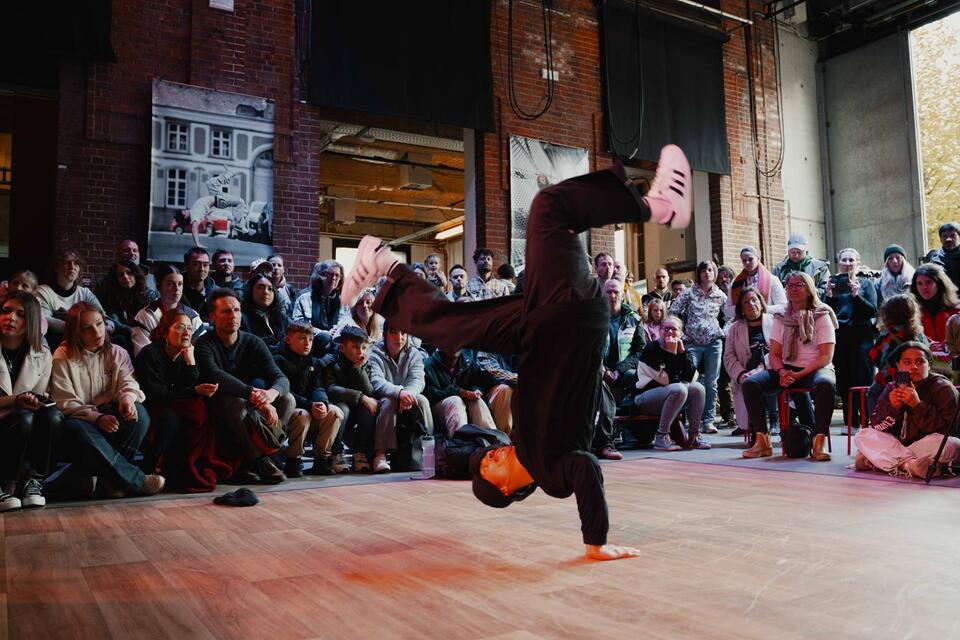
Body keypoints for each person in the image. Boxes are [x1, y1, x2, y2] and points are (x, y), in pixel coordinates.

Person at [338, 143, 693, 560]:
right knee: (547, 208)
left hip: (542, 328)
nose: (491, 455)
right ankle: (658, 205)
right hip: (570, 322)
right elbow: (588, 467)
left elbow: (478, 432)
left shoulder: (529, 449)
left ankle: (387, 267)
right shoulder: (553, 472)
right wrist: (595, 541)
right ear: (506, 486)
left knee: (456, 325)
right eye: (489, 465)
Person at [49, 302, 165, 498]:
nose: (97, 332)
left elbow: (128, 383)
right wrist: (96, 418)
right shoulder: (62, 356)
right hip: (79, 421)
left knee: (140, 415)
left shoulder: (117, 352)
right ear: (76, 333)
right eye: (87, 328)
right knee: (78, 429)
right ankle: (135, 480)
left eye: (99, 324)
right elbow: (65, 402)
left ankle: (104, 480)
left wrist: (127, 399)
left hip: (108, 414)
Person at [196, 289, 297, 484]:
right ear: (212, 316)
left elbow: (281, 378)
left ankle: (261, 455)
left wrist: (271, 394)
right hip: (222, 403)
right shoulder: (204, 343)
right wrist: (252, 394)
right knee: (235, 403)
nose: (233, 316)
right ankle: (257, 460)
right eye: (226, 311)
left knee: (288, 399)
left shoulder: (253, 341)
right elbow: (215, 376)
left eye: (236, 310)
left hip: (253, 405)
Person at [741, 272, 838, 461]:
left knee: (826, 384)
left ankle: (819, 442)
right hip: (787, 368)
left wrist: (799, 374)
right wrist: (782, 371)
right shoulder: (781, 316)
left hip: (815, 368)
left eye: (798, 285)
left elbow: (826, 356)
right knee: (750, 384)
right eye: (789, 285)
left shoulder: (821, 314)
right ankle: (762, 440)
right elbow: (775, 354)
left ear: (809, 289)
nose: (793, 288)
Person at [134, 308, 231, 492]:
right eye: (179, 327)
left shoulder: (187, 354)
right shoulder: (150, 354)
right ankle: (150, 463)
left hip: (176, 406)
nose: (187, 333)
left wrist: (191, 364)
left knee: (201, 407)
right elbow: (157, 395)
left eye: (189, 328)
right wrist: (194, 390)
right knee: (173, 414)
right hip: (151, 408)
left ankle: (190, 464)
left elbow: (188, 390)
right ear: (164, 332)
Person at [856, 341, 959, 478]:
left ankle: (878, 461)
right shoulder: (892, 388)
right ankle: (910, 465)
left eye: (920, 362)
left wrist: (917, 405)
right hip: (899, 446)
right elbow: (877, 427)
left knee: (951, 444)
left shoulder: (943, 388)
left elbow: (947, 431)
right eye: (907, 362)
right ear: (898, 366)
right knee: (864, 435)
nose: (914, 367)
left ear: (930, 365)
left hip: (925, 446)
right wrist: (893, 409)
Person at [0, 292, 62, 510]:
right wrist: (16, 400)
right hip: (8, 416)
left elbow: (36, 397)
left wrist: (33, 402)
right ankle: (6, 483)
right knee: (23, 417)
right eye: (5, 311)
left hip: (19, 417)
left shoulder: (42, 354)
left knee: (52, 415)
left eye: (20, 314)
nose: (11, 318)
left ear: (32, 321)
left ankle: (33, 481)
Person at [273, 322, 345, 476]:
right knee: (302, 415)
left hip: (310, 407)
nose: (307, 343)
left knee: (335, 412)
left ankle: (321, 461)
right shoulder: (278, 360)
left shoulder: (313, 361)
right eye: (301, 338)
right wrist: (309, 405)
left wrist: (322, 403)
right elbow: (286, 392)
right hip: (289, 412)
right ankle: (293, 461)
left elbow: (318, 387)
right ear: (288, 340)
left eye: (311, 339)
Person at [633, 315, 710, 451]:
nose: (669, 332)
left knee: (699, 388)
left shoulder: (681, 347)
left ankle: (694, 436)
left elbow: (692, 378)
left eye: (673, 329)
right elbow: (665, 380)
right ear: (660, 331)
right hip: (644, 398)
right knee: (679, 389)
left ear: (680, 332)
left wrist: (681, 354)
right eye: (666, 328)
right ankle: (661, 437)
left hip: (672, 398)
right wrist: (671, 354)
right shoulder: (651, 349)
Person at [668, 260, 726, 434]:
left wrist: (723, 331)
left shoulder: (720, 295)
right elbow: (673, 311)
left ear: (714, 273)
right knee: (689, 380)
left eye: (710, 270)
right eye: (703, 270)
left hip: (713, 343)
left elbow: (732, 315)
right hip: (692, 342)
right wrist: (682, 335)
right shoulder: (689, 293)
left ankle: (708, 421)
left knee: (711, 382)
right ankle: (690, 421)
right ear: (699, 273)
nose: (706, 273)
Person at [368, 321, 434, 473]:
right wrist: (399, 393)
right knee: (389, 402)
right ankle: (380, 455)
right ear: (385, 334)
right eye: (394, 332)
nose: (399, 337)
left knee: (422, 400)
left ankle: (429, 450)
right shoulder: (375, 352)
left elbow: (418, 379)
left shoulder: (415, 353)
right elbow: (376, 380)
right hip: (383, 397)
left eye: (403, 333)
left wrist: (408, 394)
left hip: (408, 397)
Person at [824, 248, 878, 427]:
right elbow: (826, 314)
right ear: (839, 262)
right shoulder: (833, 284)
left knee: (863, 378)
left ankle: (868, 420)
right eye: (844, 260)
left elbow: (872, 310)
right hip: (840, 338)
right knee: (844, 380)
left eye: (851, 260)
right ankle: (850, 422)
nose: (847, 264)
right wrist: (829, 296)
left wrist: (856, 296)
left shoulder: (866, 284)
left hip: (861, 337)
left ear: (857, 263)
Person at [320, 325, 378, 473]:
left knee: (369, 407)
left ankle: (360, 453)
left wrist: (358, 370)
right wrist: (360, 397)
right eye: (355, 347)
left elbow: (370, 392)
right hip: (333, 410)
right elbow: (331, 389)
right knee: (342, 407)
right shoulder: (330, 361)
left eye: (364, 348)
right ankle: (336, 453)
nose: (360, 352)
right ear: (342, 347)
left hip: (355, 411)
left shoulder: (364, 363)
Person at [723, 286, 776, 439]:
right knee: (749, 384)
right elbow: (729, 357)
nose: (751, 304)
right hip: (746, 372)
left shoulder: (775, 322)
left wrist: (760, 368)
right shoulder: (734, 328)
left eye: (754, 300)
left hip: (771, 368)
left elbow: (780, 351)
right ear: (741, 307)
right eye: (746, 302)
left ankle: (775, 420)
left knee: (766, 378)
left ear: (761, 302)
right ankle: (758, 431)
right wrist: (740, 375)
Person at [867, 294, 928, 415]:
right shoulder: (919, 333)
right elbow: (927, 351)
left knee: (872, 393)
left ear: (886, 314)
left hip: (891, 380)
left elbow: (875, 358)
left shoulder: (887, 335)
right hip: (917, 378)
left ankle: (873, 423)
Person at [36, 248, 110, 346]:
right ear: (56, 267)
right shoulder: (43, 291)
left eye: (76, 263)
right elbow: (45, 319)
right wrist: (77, 329)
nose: (72, 267)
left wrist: (109, 326)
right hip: (60, 342)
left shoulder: (85, 293)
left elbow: (102, 315)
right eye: (67, 263)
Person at [131, 265, 204, 356]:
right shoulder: (145, 316)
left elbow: (203, 350)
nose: (176, 289)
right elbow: (142, 354)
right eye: (170, 284)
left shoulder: (192, 315)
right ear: (159, 286)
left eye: (180, 284)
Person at [96, 260, 159, 353]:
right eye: (121, 275)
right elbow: (114, 321)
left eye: (129, 273)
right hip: (126, 333)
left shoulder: (150, 295)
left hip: (147, 331)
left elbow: (155, 319)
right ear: (116, 279)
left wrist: (141, 332)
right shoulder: (111, 297)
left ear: (136, 275)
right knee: (120, 339)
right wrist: (132, 331)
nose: (125, 277)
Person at [910, 263, 960, 366]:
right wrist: (927, 344)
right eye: (919, 283)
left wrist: (946, 346)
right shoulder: (912, 312)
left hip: (954, 364)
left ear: (939, 284)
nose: (924, 287)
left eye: (928, 282)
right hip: (924, 365)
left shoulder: (955, 310)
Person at [292, 260, 347, 352]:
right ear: (319, 276)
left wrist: (337, 331)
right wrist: (323, 333)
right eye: (328, 274)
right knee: (324, 338)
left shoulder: (343, 301)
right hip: (312, 343)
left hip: (337, 343)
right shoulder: (304, 299)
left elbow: (346, 321)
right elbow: (298, 324)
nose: (333, 278)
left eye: (337, 275)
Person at [724, 246, 787, 321]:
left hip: (767, 325)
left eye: (750, 259)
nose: (747, 262)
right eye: (744, 260)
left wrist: (762, 308)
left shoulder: (772, 280)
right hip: (743, 325)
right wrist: (743, 308)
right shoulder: (736, 282)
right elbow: (727, 311)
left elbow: (784, 307)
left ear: (758, 259)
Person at [240, 273, 288, 350]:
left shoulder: (281, 317)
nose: (265, 292)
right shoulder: (242, 318)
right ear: (251, 290)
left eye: (270, 289)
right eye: (260, 287)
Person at [182, 247, 216, 318]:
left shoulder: (216, 292)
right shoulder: (176, 290)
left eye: (205, 265)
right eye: (196, 264)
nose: (202, 269)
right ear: (186, 266)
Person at [928, 222, 960, 289]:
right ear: (940, 239)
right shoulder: (936, 260)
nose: (948, 239)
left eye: (952, 236)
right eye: (944, 236)